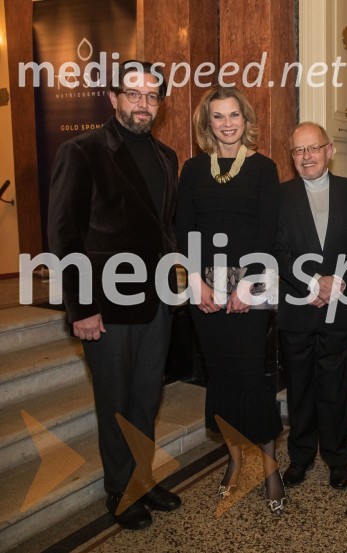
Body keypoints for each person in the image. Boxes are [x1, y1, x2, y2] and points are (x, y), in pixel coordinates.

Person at [47, 60, 182, 530]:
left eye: (152, 95)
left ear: (159, 103)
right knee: (116, 402)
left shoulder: (167, 156)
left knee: (146, 399)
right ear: (113, 98)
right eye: (133, 94)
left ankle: (141, 479)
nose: (143, 103)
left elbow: (164, 229)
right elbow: (64, 235)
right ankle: (120, 492)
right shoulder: (82, 151)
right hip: (105, 304)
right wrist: (81, 306)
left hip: (157, 301)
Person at [175, 85, 285, 515]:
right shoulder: (193, 169)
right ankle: (235, 460)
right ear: (208, 123)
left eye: (233, 115)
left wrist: (247, 285)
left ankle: (271, 467)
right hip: (205, 288)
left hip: (253, 284)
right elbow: (185, 229)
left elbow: (268, 232)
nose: (226, 123)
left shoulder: (263, 168)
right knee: (220, 378)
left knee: (253, 377)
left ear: (245, 120)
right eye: (218, 116)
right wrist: (194, 283)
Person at [275, 122, 347, 490]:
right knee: (300, 386)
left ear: (329, 150)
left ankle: (338, 458)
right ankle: (301, 456)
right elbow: (276, 249)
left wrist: (336, 282)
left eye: (313, 148)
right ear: (292, 156)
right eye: (298, 150)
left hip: (339, 305)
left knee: (334, 386)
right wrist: (311, 283)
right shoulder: (281, 195)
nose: (306, 156)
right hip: (297, 305)